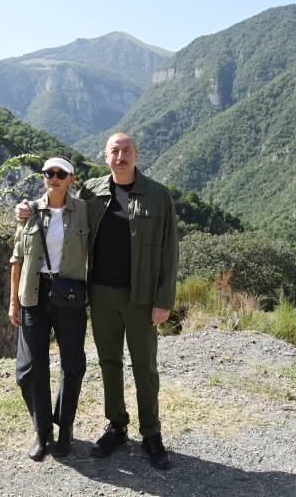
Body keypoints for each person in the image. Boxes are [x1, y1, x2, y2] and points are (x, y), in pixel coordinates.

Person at [16, 133, 178, 469]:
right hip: (100, 294)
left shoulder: (158, 196)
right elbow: (57, 199)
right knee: (109, 363)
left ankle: (151, 433)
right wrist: (29, 206)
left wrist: (164, 300)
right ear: (105, 156)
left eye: (127, 151)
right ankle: (117, 425)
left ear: (136, 155)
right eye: (115, 151)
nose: (121, 156)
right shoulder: (92, 191)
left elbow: (169, 253)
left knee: (145, 366)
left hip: (142, 296)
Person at [9, 156, 89, 461]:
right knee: (29, 370)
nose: (53, 177)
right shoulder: (29, 211)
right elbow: (17, 258)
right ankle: (42, 432)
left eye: (60, 173)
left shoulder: (84, 210)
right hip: (33, 294)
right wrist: (13, 301)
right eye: (48, 173)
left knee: (73, 365)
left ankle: (64, 426)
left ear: (71, 178)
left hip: (69, 295)